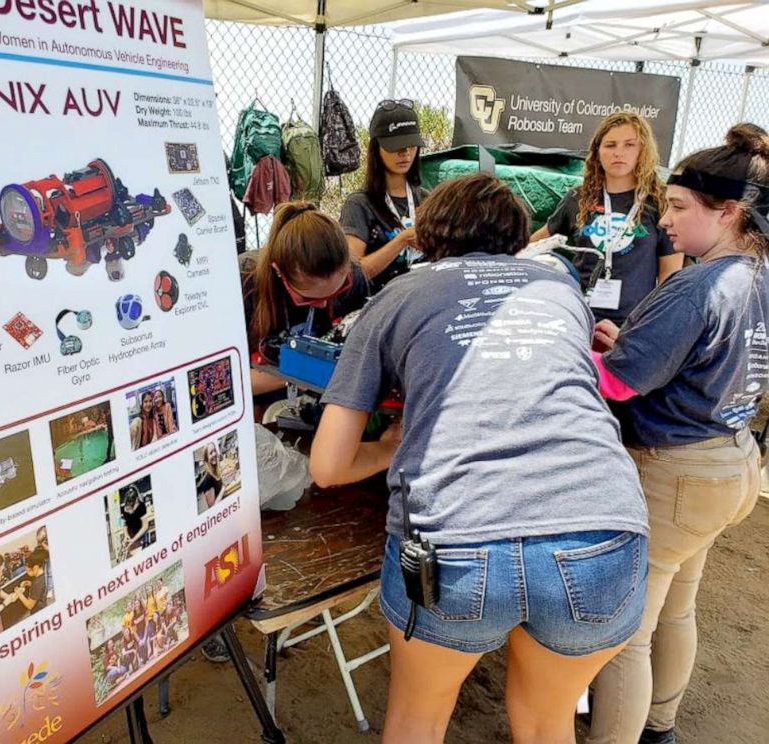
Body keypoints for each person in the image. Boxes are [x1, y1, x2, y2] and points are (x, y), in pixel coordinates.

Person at [310, 173, 649, 744]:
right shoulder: (561, 290)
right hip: (602, 531)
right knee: (547, 725)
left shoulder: (400, 295)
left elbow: (327, 466)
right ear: (518, 236)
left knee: (418, 719)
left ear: (428, 235)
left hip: (455, 542)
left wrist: (392, 445)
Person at [587, 124, 769, 744]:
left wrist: (584, 353)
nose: (665, 218)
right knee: (679, 606)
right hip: (733, 459)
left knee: (625, 635)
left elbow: (617, 387)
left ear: (729, 212)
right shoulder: (757, 274)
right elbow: (698, 358)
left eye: (679, 206)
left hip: (677, 472)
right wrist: (631, 347)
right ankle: (659, 727)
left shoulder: (695, 284)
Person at [531, 112, 682, 325]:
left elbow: (670, 276)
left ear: (643, 151)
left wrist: (653, 325)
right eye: (610, 145)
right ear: (597, 152)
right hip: (577, 317)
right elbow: (536, 243)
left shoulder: (660, 202)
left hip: (632, 325)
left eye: (629, 145)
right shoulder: (578, 198)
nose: (618, 153)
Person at [240, 201, 370, 397]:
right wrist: (308, 372)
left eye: (336, 292)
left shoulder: (354, 276)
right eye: (308, 298)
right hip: (261, 404)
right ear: (279, 272)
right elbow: (226, 385)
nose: (324, 304)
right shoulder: (243, 284)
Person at [340, 99, 427, 290]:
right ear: (376, 149)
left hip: (419, 298)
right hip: (374, 305)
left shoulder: (427, 199)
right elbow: (351, 275)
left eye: (411, 145)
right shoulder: (359, 204)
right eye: (396, 146)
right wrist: (401, 240)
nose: (405, 152)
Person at [16, 548, 50, 615]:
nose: (27, 573)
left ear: (35, 568)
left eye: (28, 571)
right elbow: (41, 589)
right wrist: (30, 584)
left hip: (38, 611)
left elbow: (30, 605)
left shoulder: (37, 583)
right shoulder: (43, 575)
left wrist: (19, 593)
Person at [121, 485, 151, 556]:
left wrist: (133, 540)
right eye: (127, 509)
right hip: (131, 535)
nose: (129, 511)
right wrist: (126, 535)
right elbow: (125, 523)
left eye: (131, 508)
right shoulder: (125, 508)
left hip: (140, 535)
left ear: (137, 500)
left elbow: (145, 526)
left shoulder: (141, 507)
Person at [196, 442, 226, 508]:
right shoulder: (208, 480)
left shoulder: (215, 471)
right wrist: (224, 487)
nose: (214, 454)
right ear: (206, 459)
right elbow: (213, 508)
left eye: (214, 450)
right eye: (210, 453)